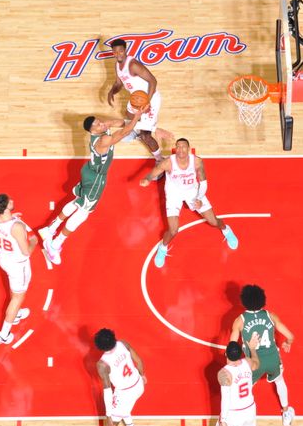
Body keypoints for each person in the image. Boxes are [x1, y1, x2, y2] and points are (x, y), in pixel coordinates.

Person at [39, 109, 142, 265]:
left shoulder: (102, 128)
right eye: (97, 124)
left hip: (88, 171)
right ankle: (54, 244)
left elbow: (117, 123)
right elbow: (123, 132)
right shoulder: (103, 140)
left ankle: (51, 228)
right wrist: (137, 118)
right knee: (83, 213)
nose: (101, 123)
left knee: (78, 200)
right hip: (96, 179)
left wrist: (133, 120)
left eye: (99, 121)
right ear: (93, 131)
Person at [139, 138, 238, 268]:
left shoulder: (197, 161)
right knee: (173, 230)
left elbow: (203, 182)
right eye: (178, 147)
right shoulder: (168, 163)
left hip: (193, 192)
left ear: (189, 148)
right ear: (175, 149)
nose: (181, 149)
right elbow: (153, 173)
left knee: (213, 221)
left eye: (183, 147)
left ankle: (226, 230)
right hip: (174, 194)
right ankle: (162, 248)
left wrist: (199, 198)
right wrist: (146, 179)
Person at [229, 285, 296, 426]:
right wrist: (287, 343)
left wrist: (232, 365)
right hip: (272, 359)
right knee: (280, 381)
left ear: (243, 301)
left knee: (245, 388)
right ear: (262, 300)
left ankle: (241, 417)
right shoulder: (270, 316)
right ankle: (286, 413)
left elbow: (232, 346)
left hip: (253, 363)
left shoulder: (240, 320)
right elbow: (290, 335)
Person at [0, 194, 38, 345]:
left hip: (4, 260)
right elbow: (26, 251)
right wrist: (34, 241)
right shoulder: (17, 227)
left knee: (15, 291)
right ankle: (3, 334)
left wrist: (11, 218)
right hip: (18, 264)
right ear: (7, 207)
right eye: (10, 200)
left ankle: (15, 314)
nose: (13, 200)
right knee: (18, 297)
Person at [107, 38, 165, 162]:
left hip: (150, 98)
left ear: (125, 50)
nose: (118, 54)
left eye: (121, 51)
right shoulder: (117, 65)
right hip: (136, 98)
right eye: (115, 52)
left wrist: (147, 102)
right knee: (128, 114)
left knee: (146, 136)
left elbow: (153, 81)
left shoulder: (133, 65)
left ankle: (160, 159)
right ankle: (136, 131)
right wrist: (111, 91)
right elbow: (118, 83)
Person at [94, 328, 146, 426]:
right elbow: (139, 362)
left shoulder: (102, 364)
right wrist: (142, 376)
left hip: (125, 394)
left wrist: (108, 416)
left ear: (99, 346)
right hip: (138, 384)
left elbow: (108, 391)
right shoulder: (123, 344)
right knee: (124, 408)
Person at [214, 341, 259, 426]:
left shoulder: (224, 373)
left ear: (226, 354)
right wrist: (252, 349)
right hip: (250, 410)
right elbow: (257, 363)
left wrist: (223, 420)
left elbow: (226, 399)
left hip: (234, 413)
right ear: (241, 353)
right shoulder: (248, 362)